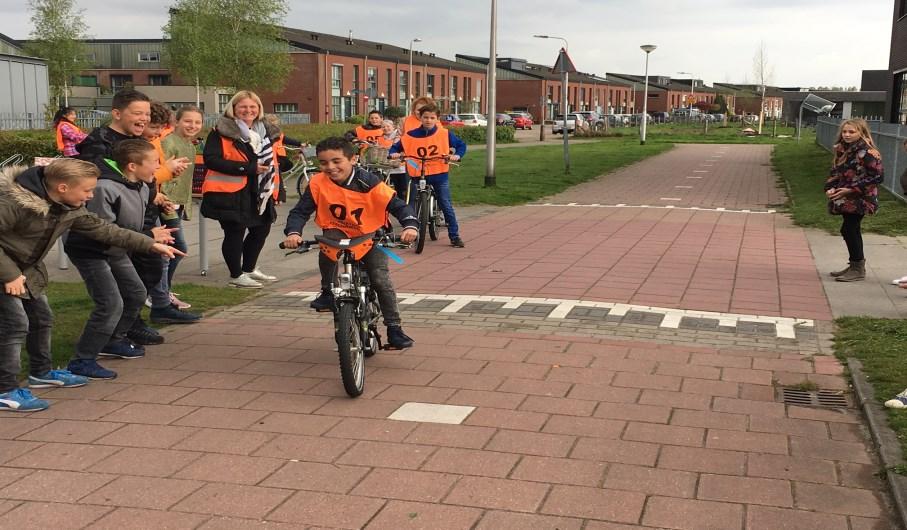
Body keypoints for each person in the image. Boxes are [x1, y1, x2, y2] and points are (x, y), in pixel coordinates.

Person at [0, 158, 182, 411]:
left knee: (42, 318)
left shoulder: (67, 206)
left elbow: (104, 230)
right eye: (87, 190)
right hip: (7, 270)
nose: (91, 195)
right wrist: (9, 274)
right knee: (14, 325)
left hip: (25, 270)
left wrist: (149, 243)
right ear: (63, 187)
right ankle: (5, 390)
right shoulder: (11, 202)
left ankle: (41, 373)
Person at [283, 137, 418, 349]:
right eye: (324, 162)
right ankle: (328, 291)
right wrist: (293, 233)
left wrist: (410, 226)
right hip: (337, 233)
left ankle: (394, 328)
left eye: (337, 161)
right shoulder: (317, 183)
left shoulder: (368, 181)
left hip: (370, 235)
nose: (330, 167)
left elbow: (398, 205)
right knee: (326, 247)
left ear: (353, 159)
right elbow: (300, 211)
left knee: (380, 279)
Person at [64, 140, 179, 380]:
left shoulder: (143, 186)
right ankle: (82, 360)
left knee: (136, 293)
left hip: (118, 250)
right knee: (109, 303)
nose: (158, 167)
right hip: (92, 252)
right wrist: (148, 238)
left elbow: (134, 223)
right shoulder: (106, 188)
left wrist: (154, 237)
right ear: (132, 166)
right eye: (154, 162)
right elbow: (102, 230)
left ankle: (112, 340)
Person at [202, 90, 281, 289]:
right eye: (243, 107)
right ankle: (236, 275)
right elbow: (211, 160)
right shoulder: (220, 131)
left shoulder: (266, 130)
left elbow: (271, 159)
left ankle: (249, 269)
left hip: (260, 191)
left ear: (259, 109)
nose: (248, 110)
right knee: (234, 233)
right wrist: (248, 169)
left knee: (261, 229)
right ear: (234, 108)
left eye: (253, 107)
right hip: (231, 193)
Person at [143, 105, 202, 324]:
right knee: (176, 249)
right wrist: (166, 200)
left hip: (173, 203)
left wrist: (184, 203)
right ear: (176, 122)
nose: (192, 126)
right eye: (188, 121)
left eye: (197, 122)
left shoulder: (189, 145)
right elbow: (159, 174)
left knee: (174, 250)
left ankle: (161, 292)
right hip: (164, 203)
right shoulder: (167, 142)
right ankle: (159, 294)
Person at [389, 103, 467, 248]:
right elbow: (395, 147)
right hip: (417, 174)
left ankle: (454, 236)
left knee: (445, 204)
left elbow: (461, 145)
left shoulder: (444, 134)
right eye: (426, 117)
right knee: (410, 202)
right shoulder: (410, 136)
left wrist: (456, 155)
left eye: (432, 118)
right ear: (420, 118)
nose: (428, 120)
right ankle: (411, 229)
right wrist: (393, 153)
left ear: (437, 119)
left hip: (439, 174)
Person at [825, 118, 883, 282]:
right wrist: (830, 187)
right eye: (845, 131)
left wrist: (852, 189)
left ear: (861, 133)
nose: (847, 135)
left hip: (861, 198)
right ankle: (855, 264)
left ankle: (858, 267)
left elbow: (877, 176)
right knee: (852, 229)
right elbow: (835, 172)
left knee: (849, 229)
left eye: (852, 132)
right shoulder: (842, 150)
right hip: (844, 197)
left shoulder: (868, 152)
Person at [75, 89, 151, 167]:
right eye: (138, 113)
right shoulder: (99, 143)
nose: (144, 118)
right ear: (117, 114)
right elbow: (93, 175)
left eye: (148, 114)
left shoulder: (142, 142)